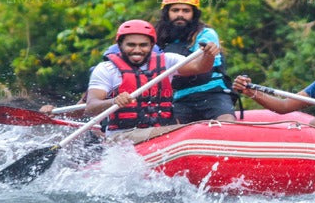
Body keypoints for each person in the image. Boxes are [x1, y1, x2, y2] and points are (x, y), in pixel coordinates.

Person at [84, 19, 219, 135]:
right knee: (186, 131)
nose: (137, 50)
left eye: (143, 45)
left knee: (184, 131)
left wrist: (209, 55)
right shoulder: (107, 69)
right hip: (123, 135)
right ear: (120, 45)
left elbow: (200, 67)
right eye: (131, 45)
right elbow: (90, 107)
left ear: (152, 46)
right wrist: (114, 101)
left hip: (162, 131)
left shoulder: (167, 61)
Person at [156, 0, 236, 122]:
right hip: (181, 97)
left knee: (226, 121)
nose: (180, 15)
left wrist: (208, 54)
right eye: (175, 10)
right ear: (167, 13)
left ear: (194, 14)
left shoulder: (205, 34)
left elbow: (202, 67)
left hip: (212, 93)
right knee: (169, 130)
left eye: (186, 11)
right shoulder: (159, 39)